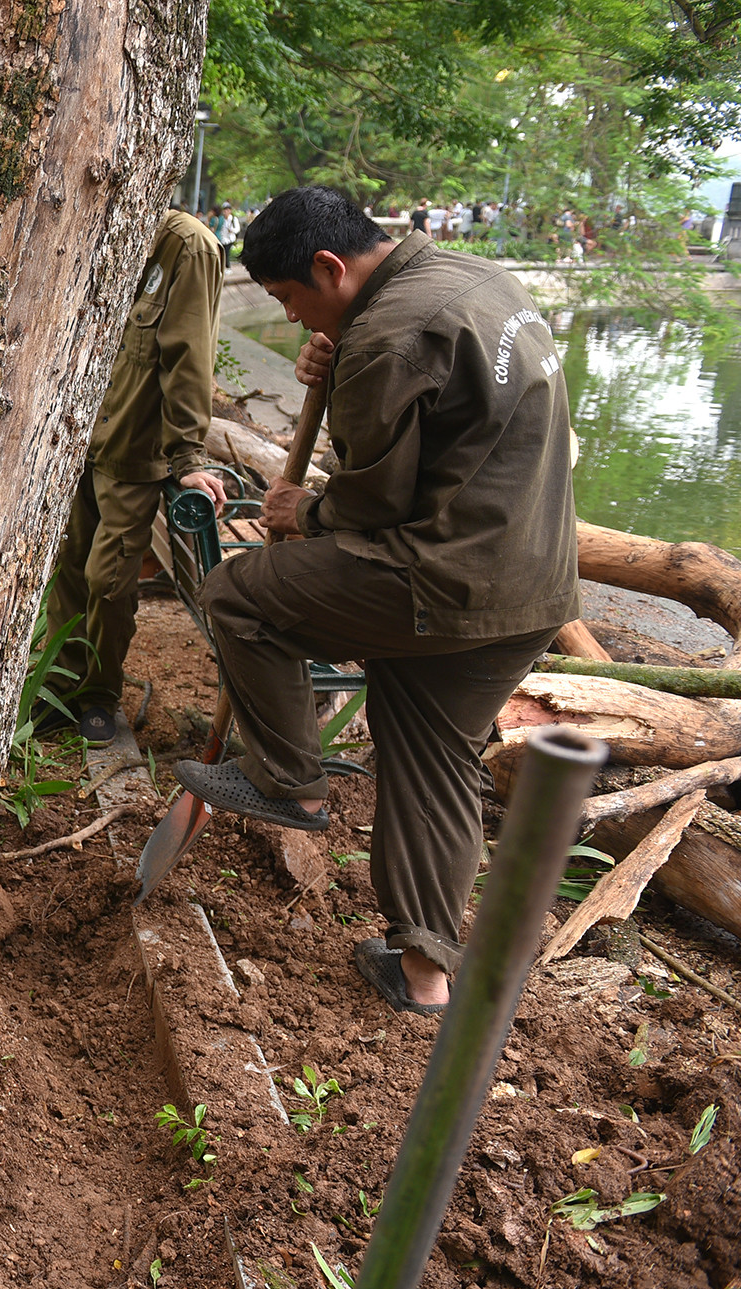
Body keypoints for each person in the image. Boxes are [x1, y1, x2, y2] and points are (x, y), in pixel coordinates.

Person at [173, 185, 578, 1015]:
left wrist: (302, 509)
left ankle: (291, 780)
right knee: (435, 763)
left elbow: (368, 508)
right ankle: (424, 974)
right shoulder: (476, 279)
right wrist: (340, 339)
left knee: (240, 596)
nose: (289, 321)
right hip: (532, 587)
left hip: (438, 578)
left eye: (290, 300)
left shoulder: (388, 337)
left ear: (330, 266)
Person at [48, 205, 229, 748]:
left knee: (109, 579)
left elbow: (188, 357)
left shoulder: (187, 246)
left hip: (133, 448)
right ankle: (58, 687)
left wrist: (189, 458)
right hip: (78, 435)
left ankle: (97, 695)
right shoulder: (98, 214)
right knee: (69, 566)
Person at [208, 201, 240, 268]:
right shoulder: (221, 219)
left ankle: (228, 267)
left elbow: (237, 229)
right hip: (222, 239)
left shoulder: (233, 219)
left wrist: (231, 230)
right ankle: (223, 267)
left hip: (230, 239)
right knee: (222, 254)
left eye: (227, 210)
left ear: (230, 211)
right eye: (224, 210)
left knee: (226, 253)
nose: (225, 211)